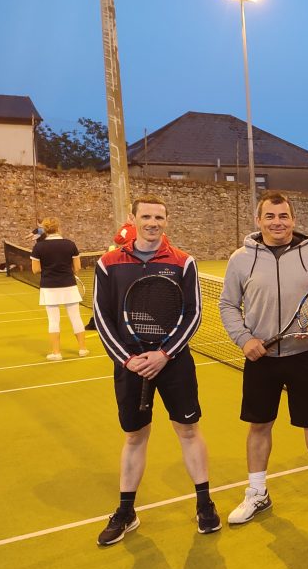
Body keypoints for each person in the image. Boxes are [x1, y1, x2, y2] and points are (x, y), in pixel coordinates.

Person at [219, 191, 308, 524]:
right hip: (260, 358)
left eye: (283, 216)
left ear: (293, 219)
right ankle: (257, 493)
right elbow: (228, 304)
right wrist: (244, 339)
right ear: (258, 220)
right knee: (259, 425)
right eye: (270, 216)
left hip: (304, 355)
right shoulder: (241, 259)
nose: (277, 222)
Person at [93, 195, 218, 545]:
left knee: (188, 429)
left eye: (159, 217)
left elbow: (193, 314)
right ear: (133, 219)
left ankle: (205, 504)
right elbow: (101, 316)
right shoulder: (108, 263)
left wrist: (165, 354)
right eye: (146, 216)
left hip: (174, 363)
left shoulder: (183, 262)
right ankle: (126, 512)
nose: (152, 223)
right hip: (131, 365)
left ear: (166, 221)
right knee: (135, 436)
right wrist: (127, 359)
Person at [30, 216, 89, 360]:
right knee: (76, 317)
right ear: (58, 227)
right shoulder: (70, 244)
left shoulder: (38, 247)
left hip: (49, 287)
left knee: (53, 320)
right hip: (69, 285)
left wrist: (49, 269)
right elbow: (77, 267)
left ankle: (56, 353)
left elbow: (35, 270)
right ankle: (83, 349)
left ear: (44, 229)